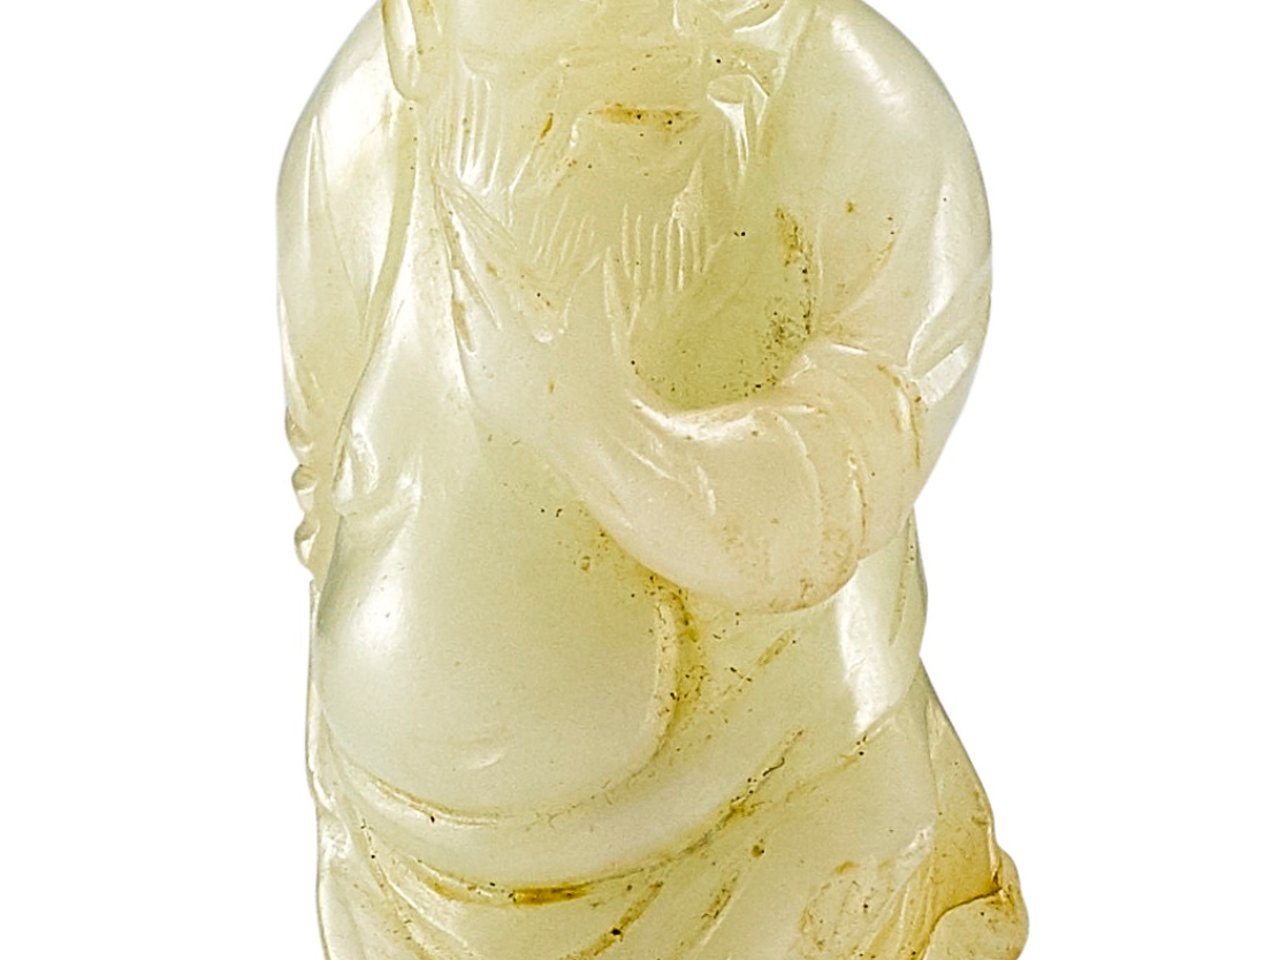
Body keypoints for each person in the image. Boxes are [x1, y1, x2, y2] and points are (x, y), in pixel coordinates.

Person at [279, 2, 1027, 957]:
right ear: (419, 30)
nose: (656, 39)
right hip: (398, 873)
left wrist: (602, 431)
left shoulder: (858, 106)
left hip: (782, 828)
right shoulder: (365, 129)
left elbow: (844, 476)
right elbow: (323, 454)